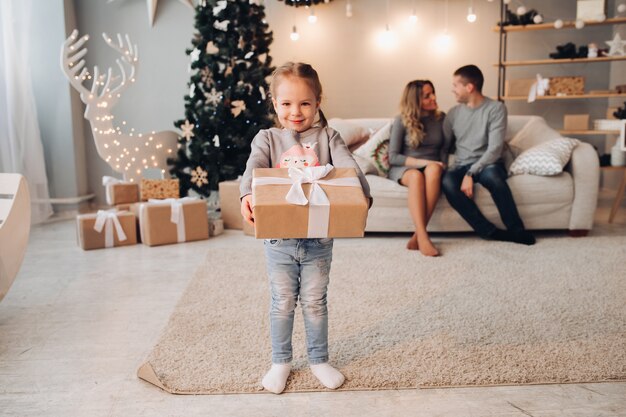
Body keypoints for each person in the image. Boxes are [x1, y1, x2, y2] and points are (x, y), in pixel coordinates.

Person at [239, 62, 371, 394]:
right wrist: (247, 194)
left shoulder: (329, 137)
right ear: (274, 103)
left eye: (304, 103)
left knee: (314, 300)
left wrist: (362, 196)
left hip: (318, 239)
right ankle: (280, 362)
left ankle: (318, 359)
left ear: (318, 102)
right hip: (278, 239)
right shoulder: (268, 138)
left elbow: (348, 168)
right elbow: (253, 167)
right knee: (282, 300)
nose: (295, 112)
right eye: (286, 104)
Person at [441, 65, 535, 245]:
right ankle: (489, 232)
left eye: (455, 85)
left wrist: (471, 173)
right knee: (447, 182)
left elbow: (495, 149)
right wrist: (444, 166)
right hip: (461, 165)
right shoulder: (453, 114)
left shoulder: (496, 109)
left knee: (493, 178)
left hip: (488, 164)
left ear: (469, 87)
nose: (452, 89)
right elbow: (444, 147)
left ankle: (517, 230)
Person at [388, 80, 446, 256]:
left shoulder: (441, 118)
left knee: (434, 170)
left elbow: (444, 149)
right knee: (416, 177)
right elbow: (393, 157)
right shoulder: (401, 121)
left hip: (433, 166)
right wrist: (425, 163)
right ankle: (423, 236)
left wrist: (440, 165)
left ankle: (418, 236)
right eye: (427, 95)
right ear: (415, 100)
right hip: (405, 168)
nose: (434, 97)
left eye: (433, 93)